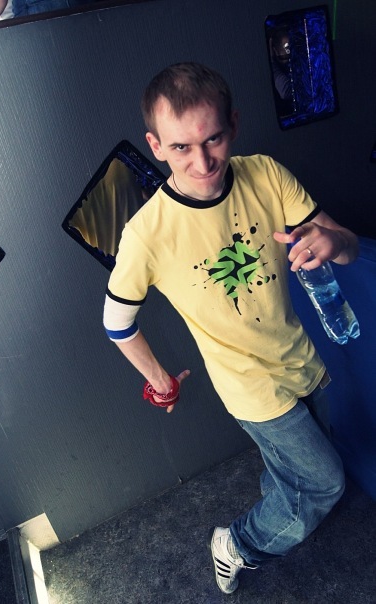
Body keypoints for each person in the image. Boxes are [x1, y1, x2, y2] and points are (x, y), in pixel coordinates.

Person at [103, 62, 358, 595]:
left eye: (213, 139)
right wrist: (160, 381)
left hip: (300, 354)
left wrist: (334, 243)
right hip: (248, 384)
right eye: (180, 147)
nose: (201, 163)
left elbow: (346, 243)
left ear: (233, 125)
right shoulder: (146, 233)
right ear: (155, 145)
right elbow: (117, 322)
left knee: (297, 471)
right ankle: (238, 544)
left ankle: (280, 501)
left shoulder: (265, 173)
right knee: (324, 482)